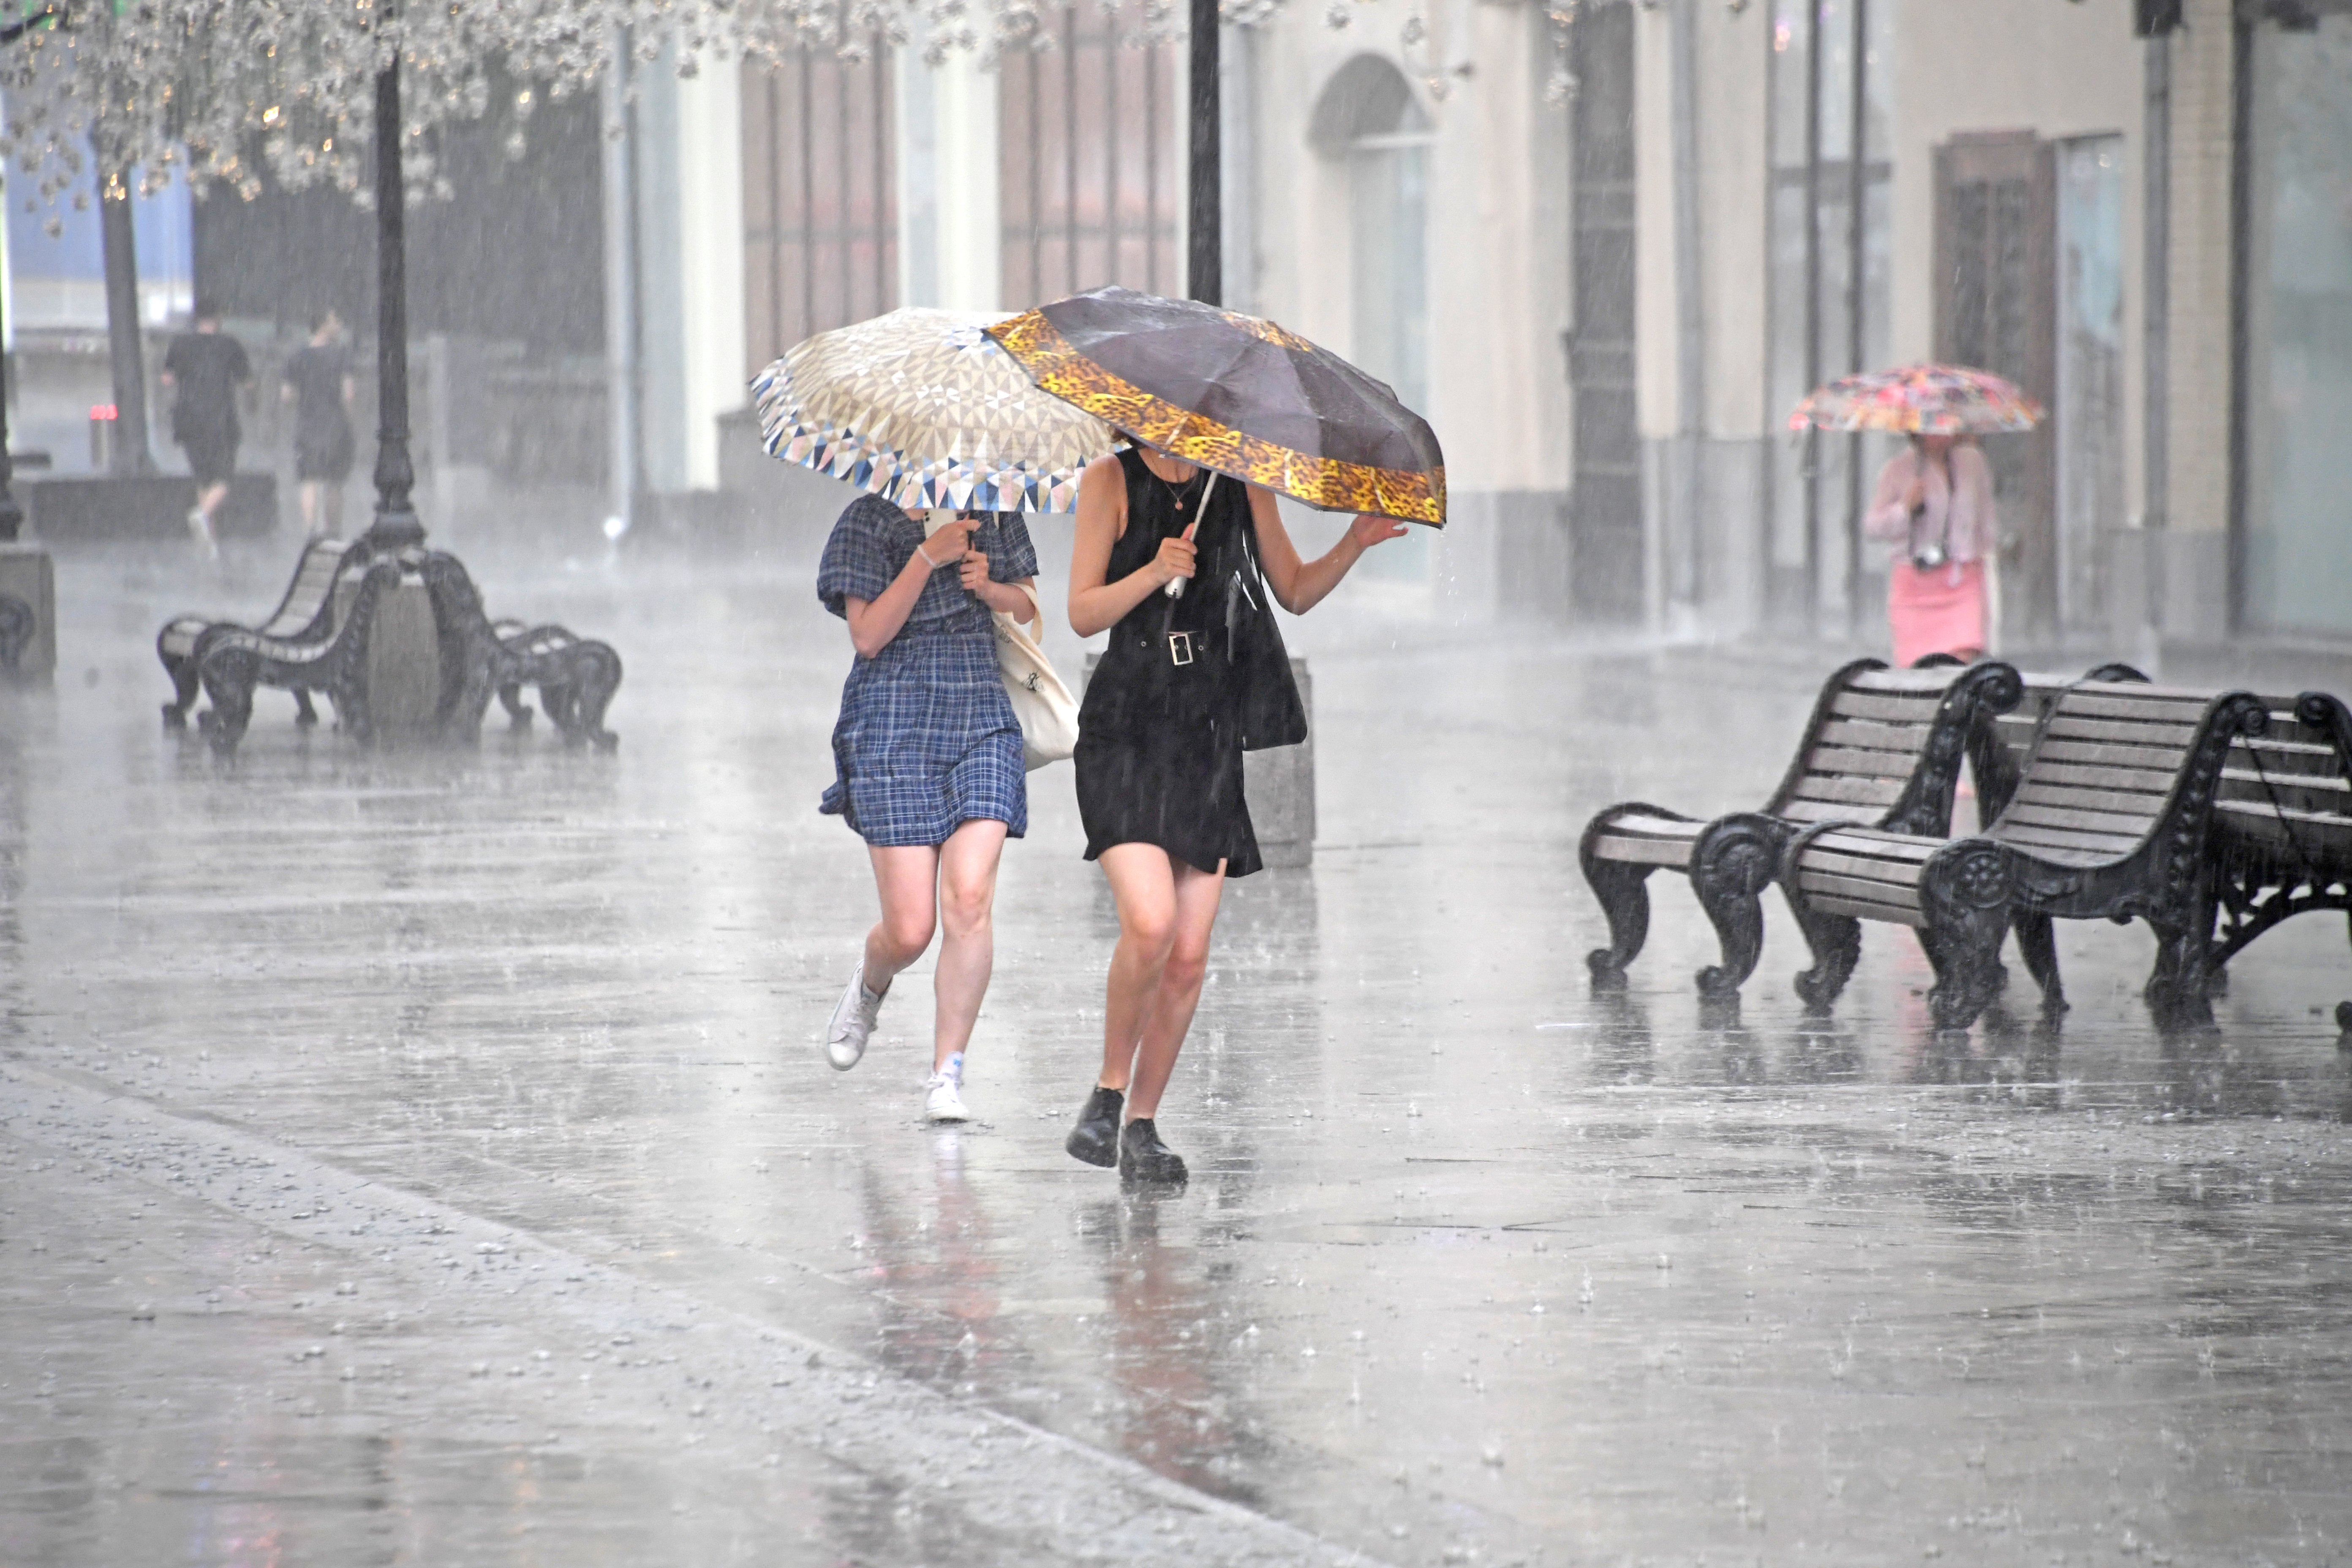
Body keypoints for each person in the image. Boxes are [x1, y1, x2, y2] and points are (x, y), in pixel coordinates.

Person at [1062, 443, 1404, 1184]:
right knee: (1149, 922)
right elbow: (1082, 613)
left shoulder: (1240, 484)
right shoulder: (1109, 481)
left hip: (1206, 735)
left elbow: (1294, 588)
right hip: (1125, 730)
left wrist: (1352, 542)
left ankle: (1142, 1126)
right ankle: (1108, 1090)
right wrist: (1152, 571)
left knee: (1186, 954)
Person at [818, 495, 1041, 1124]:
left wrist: (992, 588)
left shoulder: (993, 512)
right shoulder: (866, 519)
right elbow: (867, 636)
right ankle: (870, 985)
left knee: (969, 898)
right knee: (911, 930)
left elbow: (1028, 605)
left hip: (979, 713)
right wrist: (925, 558)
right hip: (893, 718)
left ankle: (948, 1073)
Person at [1863, 433, 1997, 667]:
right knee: (1919, 669)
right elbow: (1873, 527)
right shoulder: (1898, 469)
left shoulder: (1973, 462)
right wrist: (1905, 508)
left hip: (1963, 578)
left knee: (1964, 658)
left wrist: (1987, 553)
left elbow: (1986, 515)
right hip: (1915, 584)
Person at [160, 299, 253, 560]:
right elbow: (247, 382)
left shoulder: (180, 344)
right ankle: (202, 516)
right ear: (219, 316)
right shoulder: (229, 345)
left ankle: (209, 544)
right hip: (220, 419)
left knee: (203, 479)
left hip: (189, 420)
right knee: (224, 478)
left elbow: (167, 379)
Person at [280, 309, 357, 538]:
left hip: (307, 425)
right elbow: (349, 394)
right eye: (336, 322)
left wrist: (305, 402)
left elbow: (286, 395)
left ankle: (310, 532)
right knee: (334, 482)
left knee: (309, 480)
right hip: (335, 425)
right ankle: (333, 534)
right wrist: (351, 421)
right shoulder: (342, 355)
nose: (340, 327)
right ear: (323, 326)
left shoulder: (297, 356)